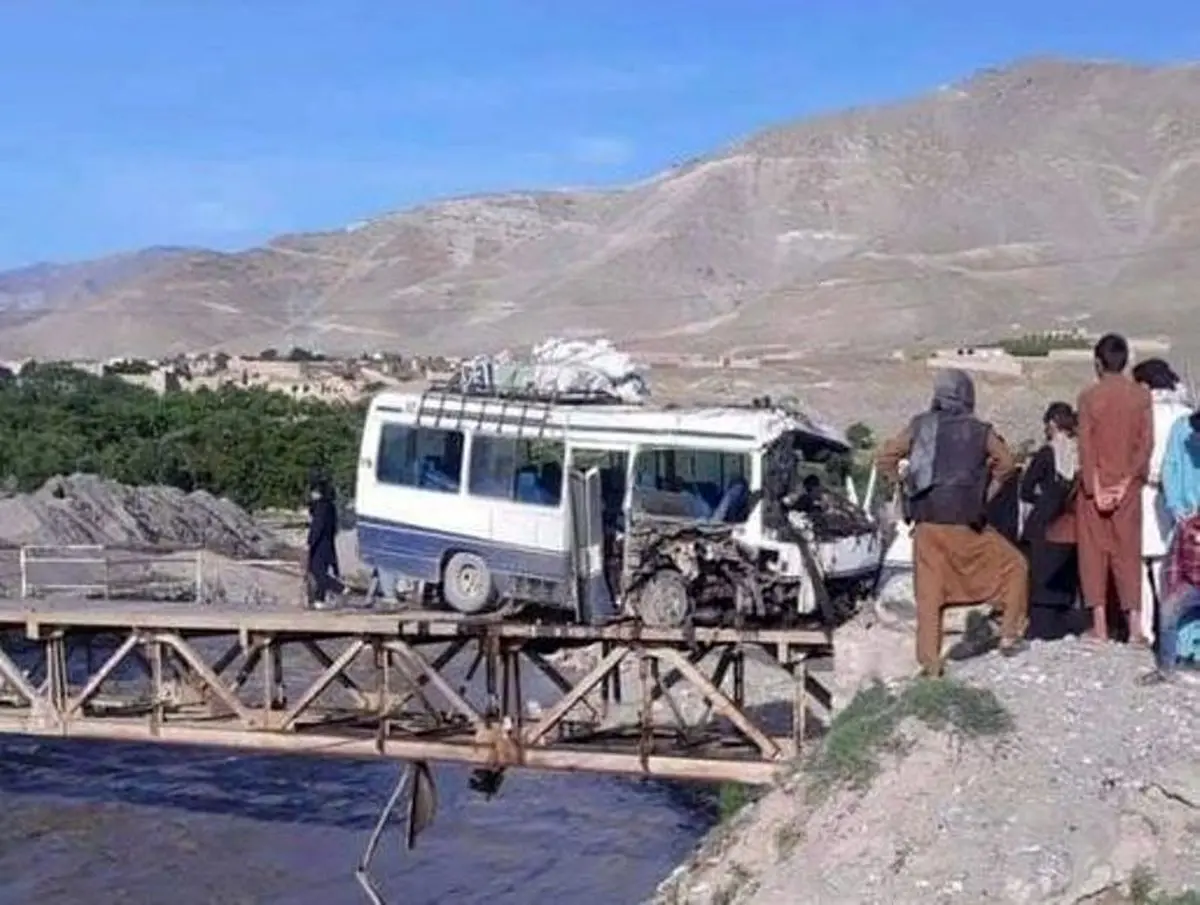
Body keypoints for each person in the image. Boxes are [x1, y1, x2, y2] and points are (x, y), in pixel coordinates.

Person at [875, 368, 1029, 675]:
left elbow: (884, 459)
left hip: (928, 524)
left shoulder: (920, 426)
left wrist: (905, 486)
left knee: (929, 598)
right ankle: (1009, 634)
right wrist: (987, 492)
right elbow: (1008, 464)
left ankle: (931, 665)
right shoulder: (981, 430)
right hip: (966, 522)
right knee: (1016, 566)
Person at [1076, 333, 1153, 643]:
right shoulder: (1141, 396)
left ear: (1097, 362)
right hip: (1128, 488)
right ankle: (1134, 626)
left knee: (1094, 554)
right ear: (1125, 361)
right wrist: (1124, 484)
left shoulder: (1088, 397)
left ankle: (1100, 626)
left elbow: (1086, 446)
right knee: (1128, 554)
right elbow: (1145, 444)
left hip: (1096, 487)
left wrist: (1096, 487)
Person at [1130, 357, 1192, 645]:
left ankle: (1146, 628)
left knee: (1143, 563)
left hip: (1147, 491)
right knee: (1177, 565)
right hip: (1186, 497)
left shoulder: (1143, 414)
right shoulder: (1186, 412)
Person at [1140, 409, 1200, 685]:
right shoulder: (1182, 428)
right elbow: (1171, 469)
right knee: (1173, 602)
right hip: (1189, 525)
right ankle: (1172, 661)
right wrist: (1179, 509)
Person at [1019, 402, 1081, 641]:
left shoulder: (1046, 453)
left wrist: (1044, 499)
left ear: (1052, 424)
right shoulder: (1080, 452)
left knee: (1039, 580)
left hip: (1043, 524)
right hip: (1071, 523)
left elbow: (1025, 490)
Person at [306, 473, 342, 608]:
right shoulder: (330, 506)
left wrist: (310, 541)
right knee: (322, 571)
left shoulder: (321, 507)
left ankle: (340, 588)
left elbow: (317, 526)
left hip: (320, 543)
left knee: (316, 571)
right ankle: (319, 601)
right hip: (328, 542)